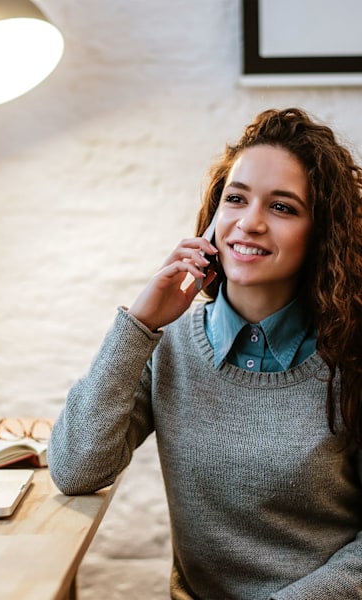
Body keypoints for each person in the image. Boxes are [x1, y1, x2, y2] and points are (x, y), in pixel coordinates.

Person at [48, 107, 362, 599]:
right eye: (236, 199)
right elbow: (76, 468)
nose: (250, 223)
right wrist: (140, 324)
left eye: (282, 207)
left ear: (320, 232)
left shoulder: (351, 357)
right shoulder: (167, 342)